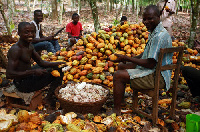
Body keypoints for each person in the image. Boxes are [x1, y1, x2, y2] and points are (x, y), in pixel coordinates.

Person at [111, 5, 173, 115]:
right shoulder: (155, 32)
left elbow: (149, 63)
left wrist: (127, 58)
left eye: (150, 18)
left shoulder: (159, 36)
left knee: (118, 75)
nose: (146, 22)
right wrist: (126, 59)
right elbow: (145, 55)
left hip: (157, 76)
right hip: (154, 69)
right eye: (144, 19)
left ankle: (116, 110)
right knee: (121, 66)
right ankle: (120, 100)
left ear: (158, 17)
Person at [6, 22, 65, 107]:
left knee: (58, 67)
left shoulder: (29, 46)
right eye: (26, 32)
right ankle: (49, 98)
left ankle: (49, 95)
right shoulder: (16, 50)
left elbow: (41, 62)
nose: (30, 34)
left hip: (29, 76)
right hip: (23, 85)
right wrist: (33, 72)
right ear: (19, 33)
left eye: (32, 32)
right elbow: (9, 74)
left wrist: (57, 63)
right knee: (59, 72)